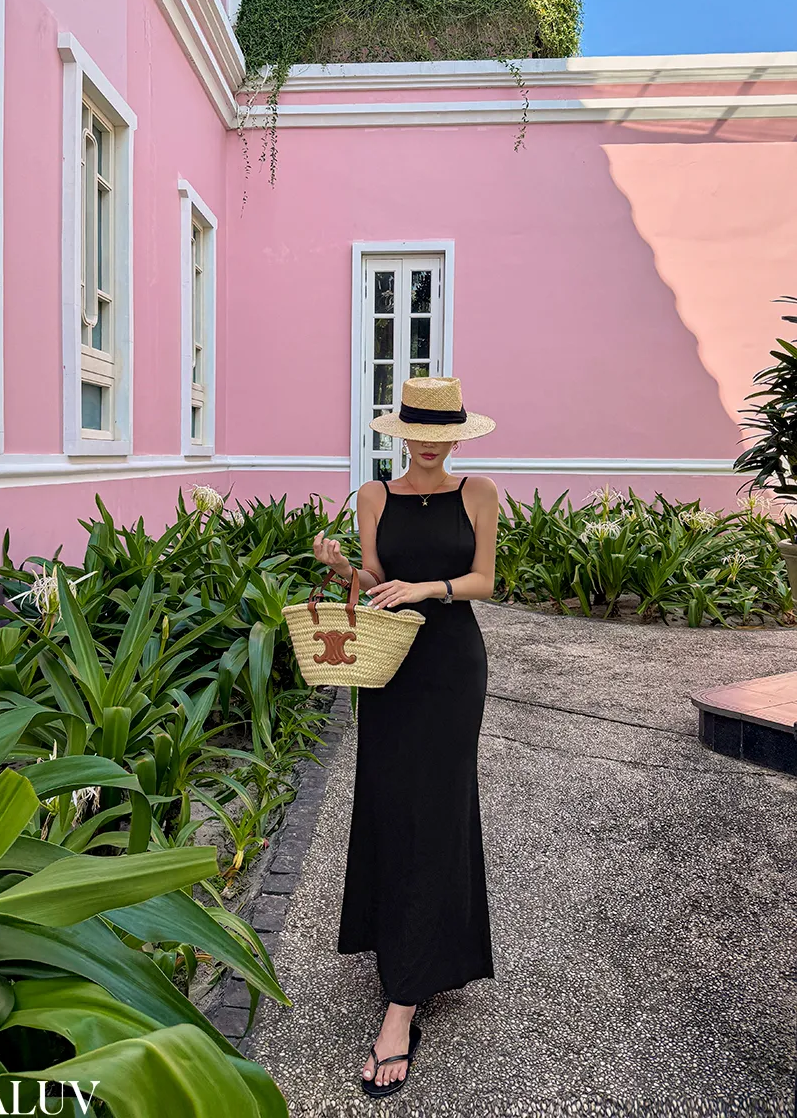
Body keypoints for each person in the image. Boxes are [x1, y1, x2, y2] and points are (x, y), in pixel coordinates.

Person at [312, 375, 500, 1099]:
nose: (427, 443)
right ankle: (401, 942)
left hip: (450, 665)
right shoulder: (374, 495)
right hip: (389, 667)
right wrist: (342, 570)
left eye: (439, 432)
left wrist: (429, 589)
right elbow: (376, 578)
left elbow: (483, 581)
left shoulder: (478, 492)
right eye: (416, 430)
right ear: (402, 432)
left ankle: (403, 1006)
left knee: (438, 810)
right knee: (390, 804)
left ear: (455, 435)